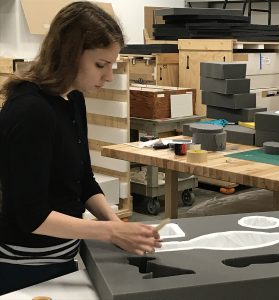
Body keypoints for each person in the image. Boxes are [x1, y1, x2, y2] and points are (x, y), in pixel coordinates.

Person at [0, 2, 160, 295]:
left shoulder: (73, 100)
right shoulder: (29, 111)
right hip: (23, 267)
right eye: (101, 64)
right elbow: (30, 216)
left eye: (112, 64)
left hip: (64, 256)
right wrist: (110, 231)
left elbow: (84, 180)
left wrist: (117, 226)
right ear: (69, 54)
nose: (109, 75)